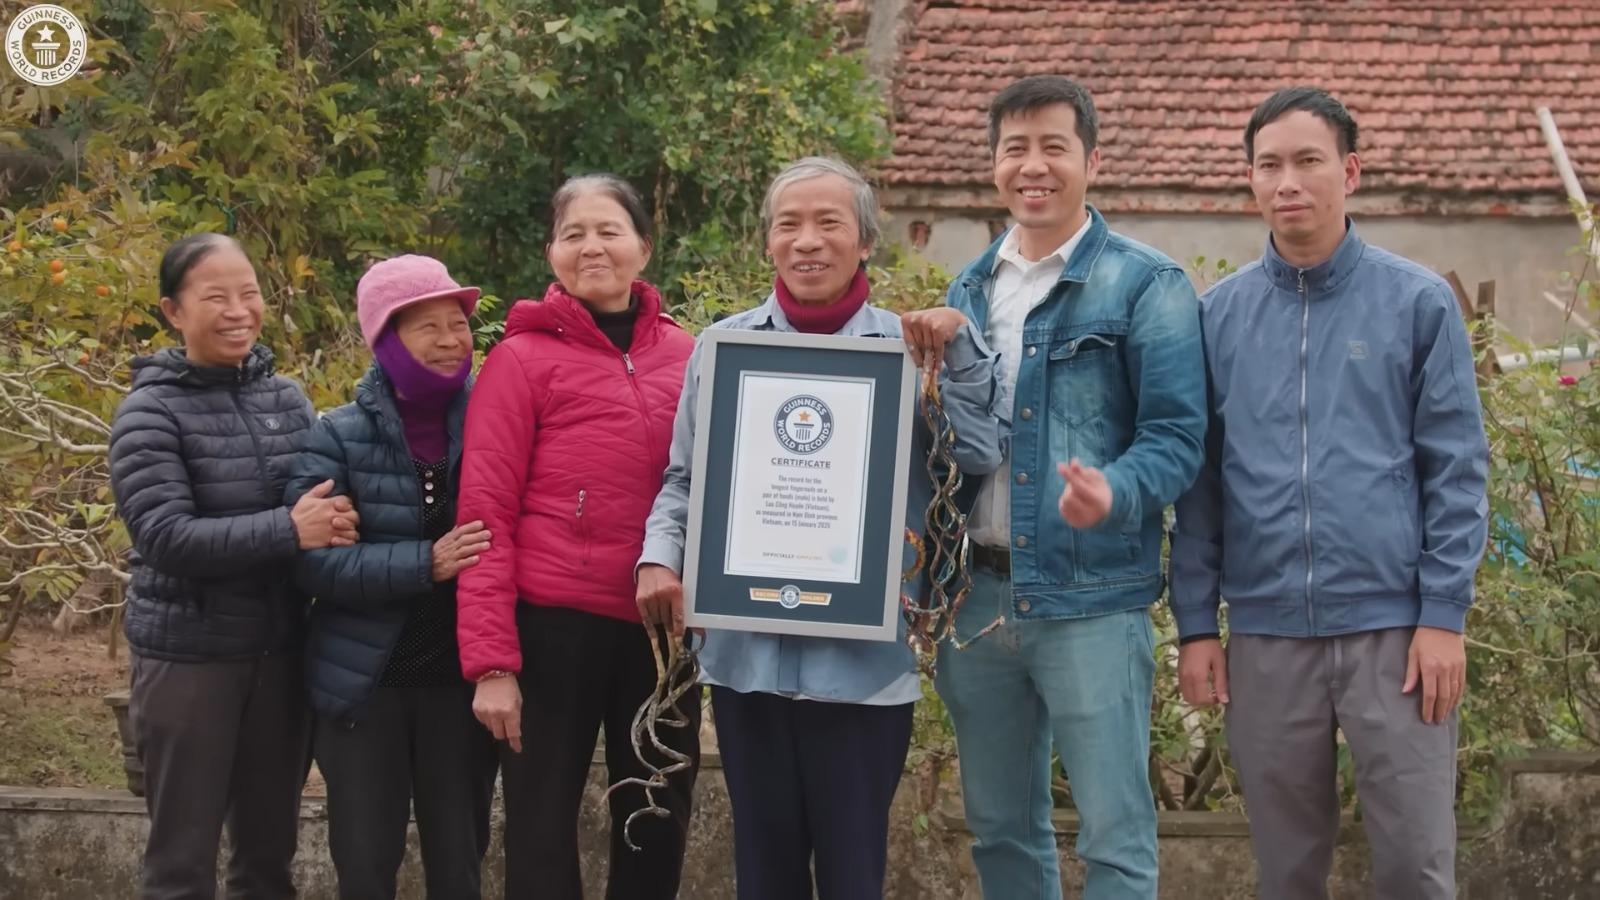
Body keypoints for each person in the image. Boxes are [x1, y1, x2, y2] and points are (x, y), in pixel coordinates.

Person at [635, 156, 1004, 900]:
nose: (807, 241)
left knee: (851, 874)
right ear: (768, 242)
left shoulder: (911, 352)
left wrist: (958, 349)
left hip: (862, 668)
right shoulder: (723, 350)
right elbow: (685, 479)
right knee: (763, 875)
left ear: (865, 241)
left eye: (828, 223)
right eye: (788, 225)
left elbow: (976, 455)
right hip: (746, 663)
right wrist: (658, 559)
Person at [1170, 86, 1489, 900]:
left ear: (1349, 171)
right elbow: (1201, 486)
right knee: (1285, 870)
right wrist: (1198, 625)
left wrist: (1443, 615)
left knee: (1416, 863)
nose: (1289, 182)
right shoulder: (1217, 318)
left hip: (1397, 636)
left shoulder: (1417, 304)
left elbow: (1456, 469)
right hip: (1268, 638)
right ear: (1250, 181)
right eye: (1269, 165)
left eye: (1309, 161)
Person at [935, 75, 1208, 899]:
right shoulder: (968, 291)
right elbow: (955, 447)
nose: (1034, 165)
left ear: (1091, 158)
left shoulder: (1145, 283)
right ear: (993, 164)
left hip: (1092, 597)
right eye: (1015, 147)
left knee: (1116, 835)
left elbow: (1176, 437)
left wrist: (1114, 492)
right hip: (977, 601)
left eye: (1054, 145)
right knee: (1001, 832)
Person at [455, 174, 699, 900]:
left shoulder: (690, 355)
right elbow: (485, 517)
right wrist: (493, 663)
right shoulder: (518, 361)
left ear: (644, 247)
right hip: (551, 629)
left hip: (661, 632)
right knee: (539, 823)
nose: (592, 246)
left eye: (609, 230)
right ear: (551, 252)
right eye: (573, 234)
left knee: (657, 814)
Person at [109, 232, 356, 899]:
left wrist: (339, 522)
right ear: (172, 311)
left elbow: (320, 502)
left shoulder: (287, 401)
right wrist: (289, 528)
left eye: (248, 293)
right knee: (182, 862)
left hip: (278, 656)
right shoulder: (148, 412)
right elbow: (165, 537)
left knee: (268, 858)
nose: (238, 310)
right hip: (190, 661)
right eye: (214, 297)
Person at [284, 255, 498, 900]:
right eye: (425, 327)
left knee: (459, 863)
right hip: (363, 688)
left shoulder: (496, 420)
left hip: (460, 688)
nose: (449, 340)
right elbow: (308, 561)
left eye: (457, 323)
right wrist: (424, 562)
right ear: (383, 340)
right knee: (366, 861)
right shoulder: (338, 438)